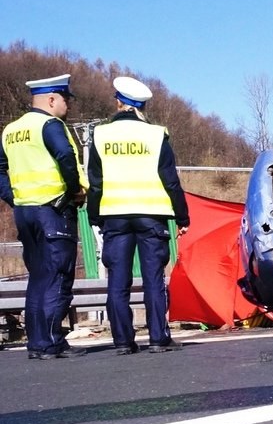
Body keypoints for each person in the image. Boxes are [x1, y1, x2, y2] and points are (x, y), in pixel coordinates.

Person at [87, 76, 191, 354]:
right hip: (151, 216)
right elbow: (171, 181)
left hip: (115, 216)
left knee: (117, 281)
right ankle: (158, 338)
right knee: (153, 279)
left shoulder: (101, 134)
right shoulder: (156, 135)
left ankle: (122, 341)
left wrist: (94, 216)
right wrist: (182, 217)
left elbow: (95, 182)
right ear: (141, 106)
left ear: (119, 102)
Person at [0, 74, 88, 360]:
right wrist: (74, 189)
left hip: (25, 212)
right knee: (57, 275)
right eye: (65, 100)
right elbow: (64, 155)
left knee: (38, 278)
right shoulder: (50, 125)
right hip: (53, 209)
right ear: (51, 99)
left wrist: (14, 198)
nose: (68, 106)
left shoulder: (11, 130)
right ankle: (51, 341)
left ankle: (37, 342)